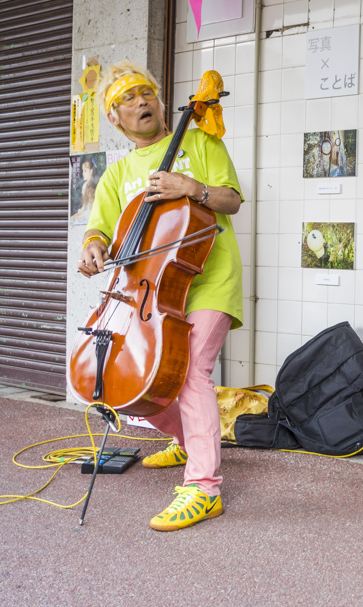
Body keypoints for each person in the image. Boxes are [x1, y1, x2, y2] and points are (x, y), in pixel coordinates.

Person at [78, 61, 244, 532]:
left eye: (147, 93)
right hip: (149, 289)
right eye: (128, 99)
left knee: (191, 371)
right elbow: (101, 227)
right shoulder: (117, 174)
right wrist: (93, 247)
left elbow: (231, 199)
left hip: (208, 277)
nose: (142, 102)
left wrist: (191, 189)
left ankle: (204, 488)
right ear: (115, 119)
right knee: (140, 381)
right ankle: (191, 439)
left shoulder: (201, 141)